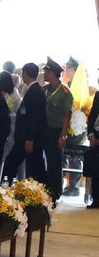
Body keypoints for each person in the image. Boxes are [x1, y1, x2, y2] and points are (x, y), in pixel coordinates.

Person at [3, 63, 47, 186]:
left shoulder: (35, 92)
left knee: (15, 162)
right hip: (26, 137)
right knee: (35, 164)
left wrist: (30, 138)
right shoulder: (32, 90)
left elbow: (34, 118)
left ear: (25, 74)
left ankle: (6, 187)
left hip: (28, 138)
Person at [42, 58, 73, 199]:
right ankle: (45, 190)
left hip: (57, 131)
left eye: (46, 71)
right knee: (44, 161)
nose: (44, 73)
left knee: (55, 163)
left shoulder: (65, 92)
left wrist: (63, 136)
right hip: (44, 131)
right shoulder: (44, 90)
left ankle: (55, 192)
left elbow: (67, 115)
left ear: (52, 74)